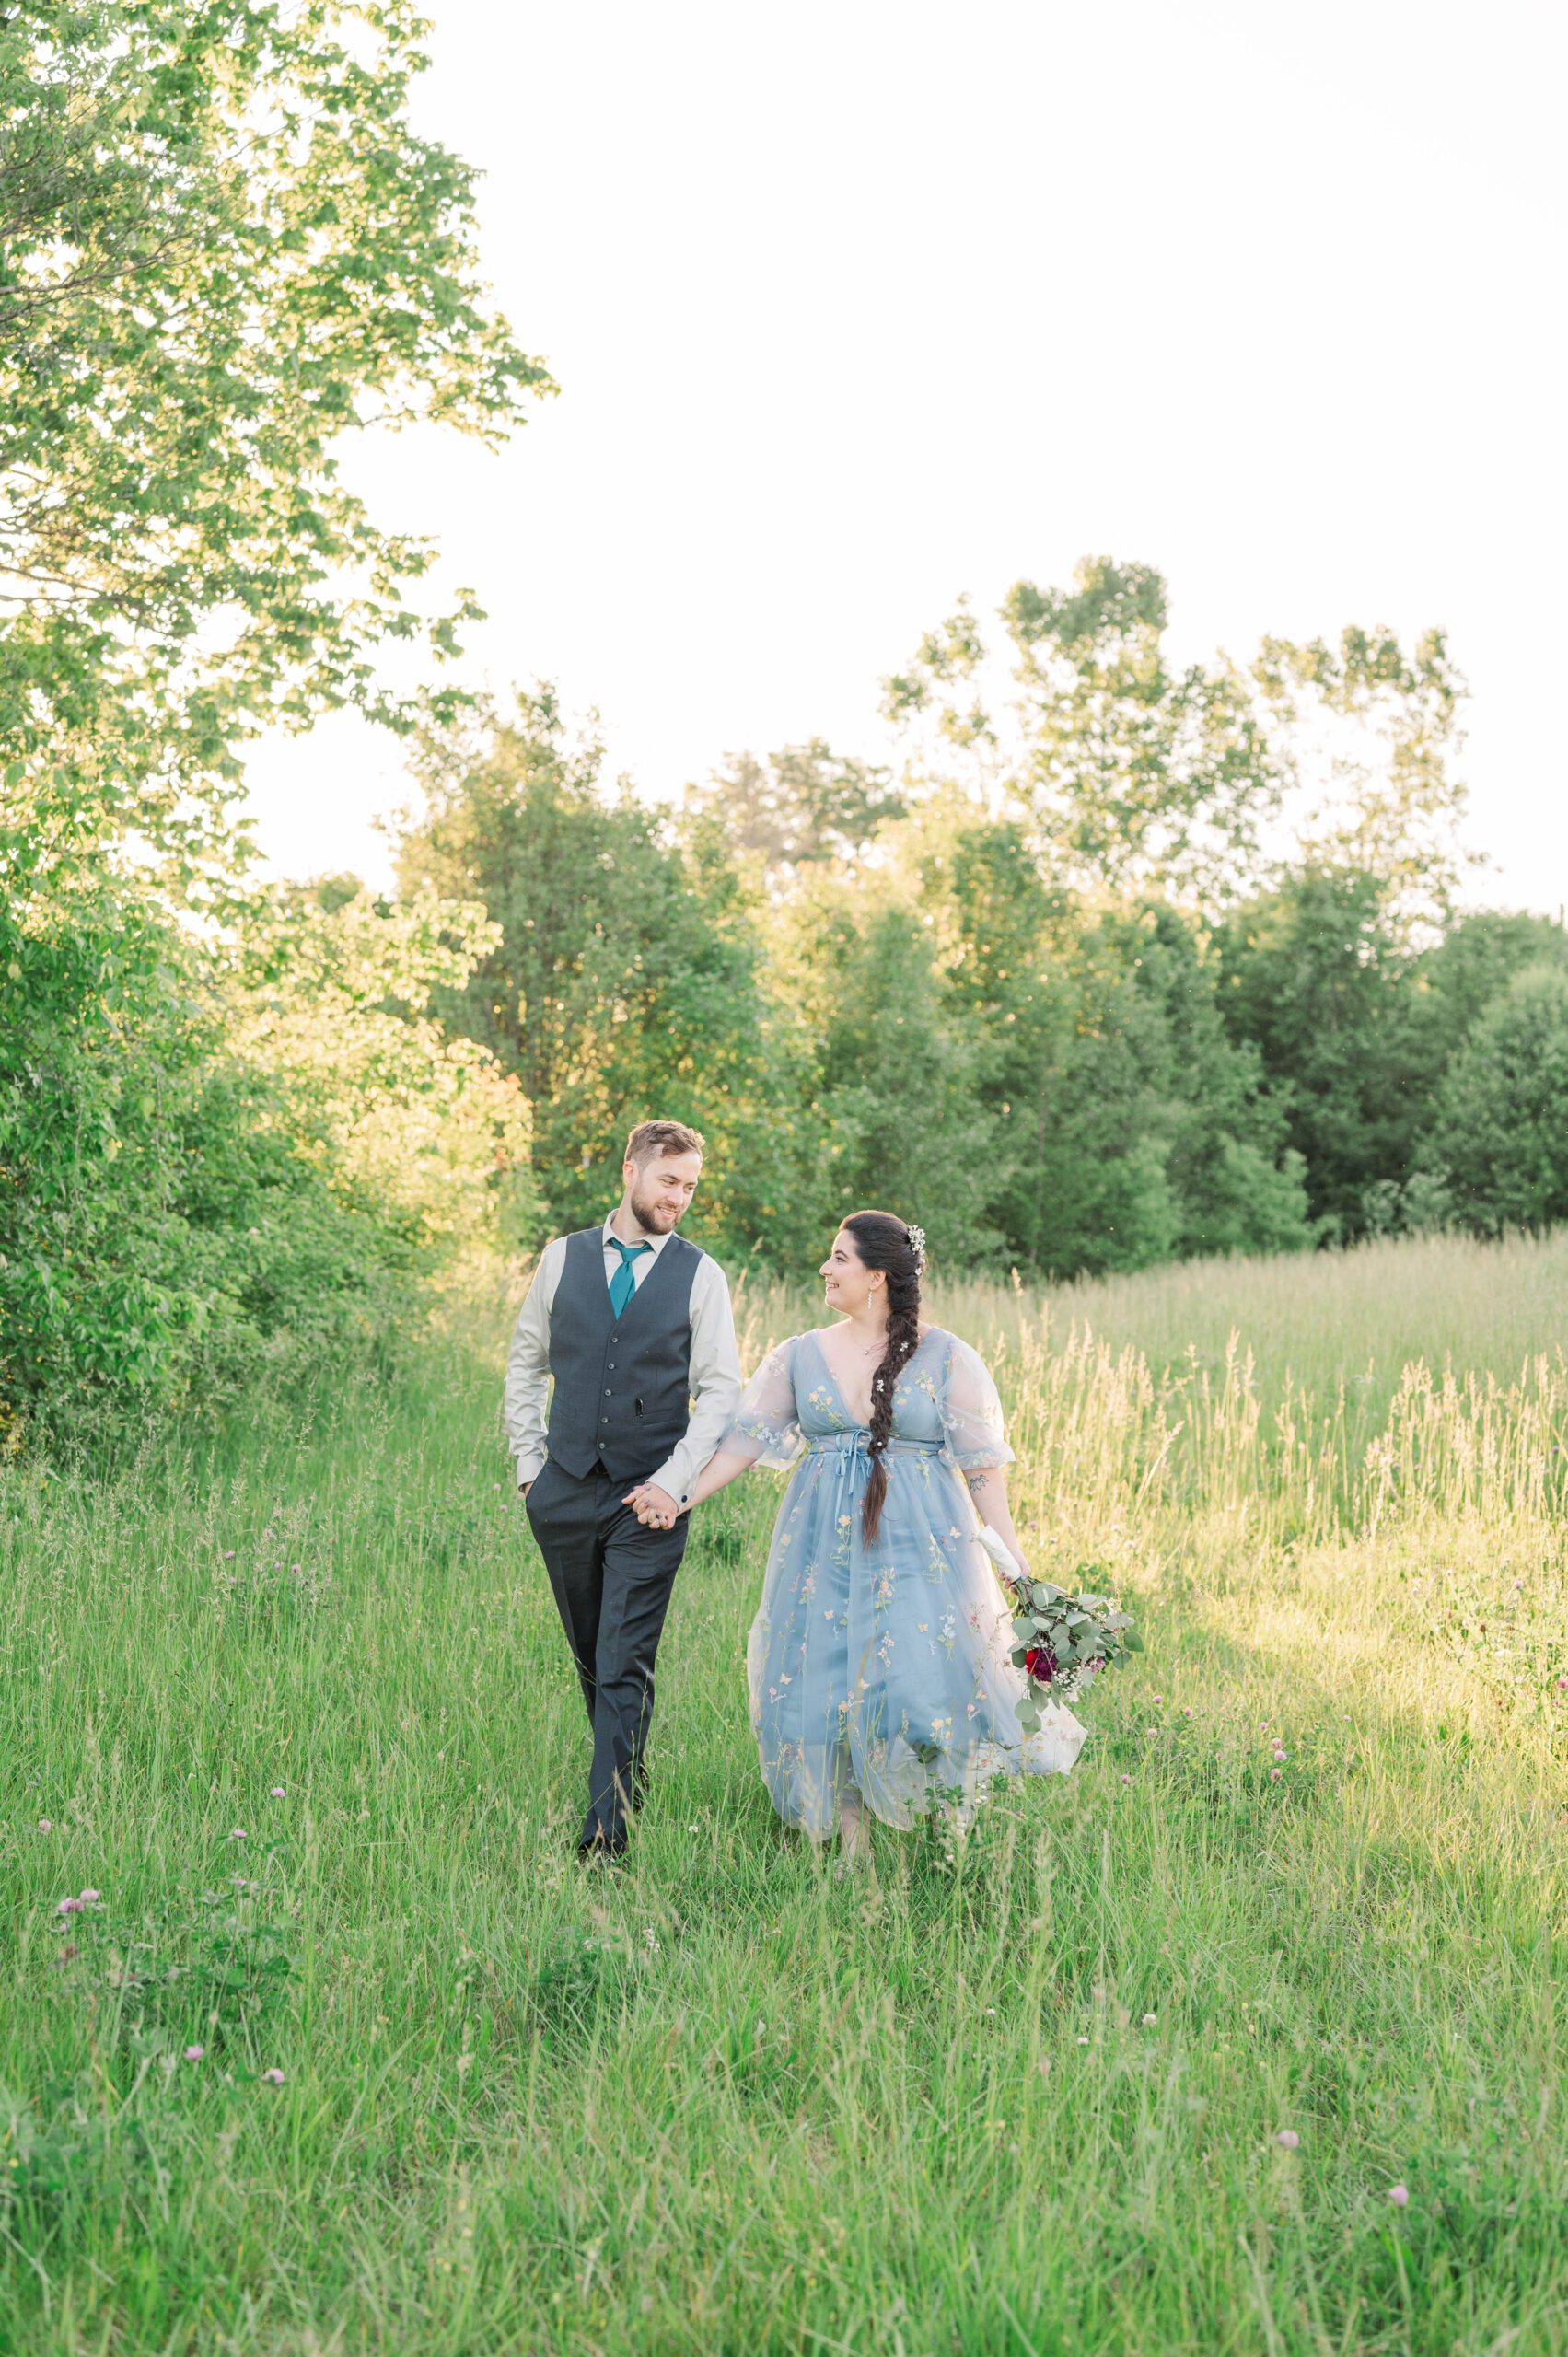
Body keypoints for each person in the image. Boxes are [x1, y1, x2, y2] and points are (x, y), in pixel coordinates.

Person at [638, 1210, 1084, 1857]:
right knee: (823, 1682)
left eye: (838, 1258)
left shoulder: (949, 1357)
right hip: (819, 1547)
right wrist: (677, 1498)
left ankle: (946, 1824)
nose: (824, 1268)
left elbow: (983, 1474)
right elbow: (739, 1445)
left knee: (923, 1681)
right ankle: (852, 1842)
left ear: (876, 1276)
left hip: (923, 1545)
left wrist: (1015, 1568)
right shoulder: (798, 1354)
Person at [504, 1120, 740, 1859]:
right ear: (631, 1171)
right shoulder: (561, 1258)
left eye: (692, 1186)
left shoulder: (701, 1275)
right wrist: (528, 1467)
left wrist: (673, 1486)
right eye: (669, 1180)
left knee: (623, 1656)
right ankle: (627, 1776)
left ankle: (606, 1831)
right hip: (565, 1488)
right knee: (589, 1653)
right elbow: (524, 1364)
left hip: (651, 1503)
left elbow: (721, 1392)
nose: (680, 1198)